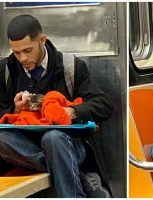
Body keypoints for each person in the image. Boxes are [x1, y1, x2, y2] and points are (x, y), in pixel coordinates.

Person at [0, 14, 113, 197]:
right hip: (26, 146)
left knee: (53, 138)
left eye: (28, 50)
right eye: (16, 52)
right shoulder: (6, 70)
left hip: (68, 142)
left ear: (42, 40)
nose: (22, 58)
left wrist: (70, 111)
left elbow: (104, 105)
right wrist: (16, 110)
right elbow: (3, 114)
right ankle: (80, 175)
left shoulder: (71, 67)